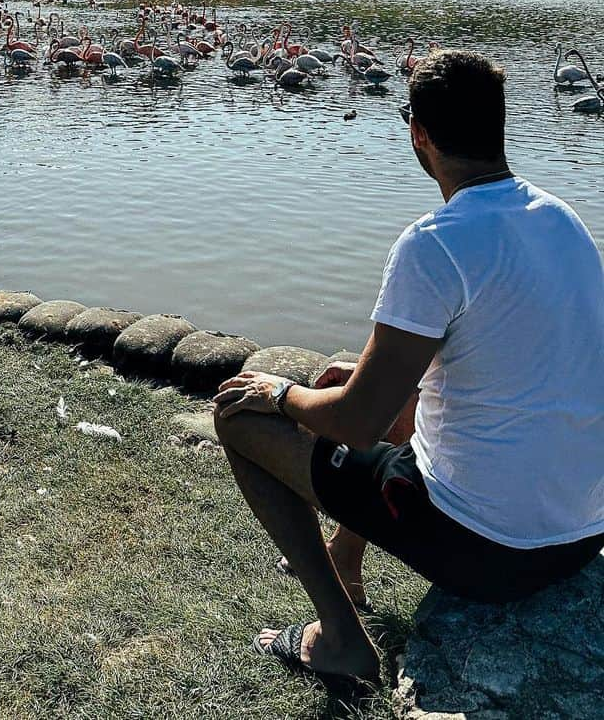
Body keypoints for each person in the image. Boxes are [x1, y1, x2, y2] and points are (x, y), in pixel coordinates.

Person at [214, 49, 604, 689]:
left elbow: (358, 424)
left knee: (241, 419)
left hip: (495, 553)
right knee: (357, 374)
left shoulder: (435, 242)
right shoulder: (562, 220)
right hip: (582, 533)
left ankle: (340, 640)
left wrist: (279, 393)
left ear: (419, 134)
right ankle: (346, 555)